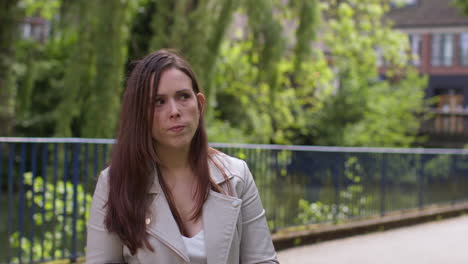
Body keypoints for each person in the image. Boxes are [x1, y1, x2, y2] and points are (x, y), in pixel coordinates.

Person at [85, 49, 279, 264]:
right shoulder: (114, 183)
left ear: (200, 105)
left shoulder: (237, 176)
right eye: (159, 102)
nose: (174, 111)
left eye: (183, 96)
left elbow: (262, 260)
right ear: (140, 115)